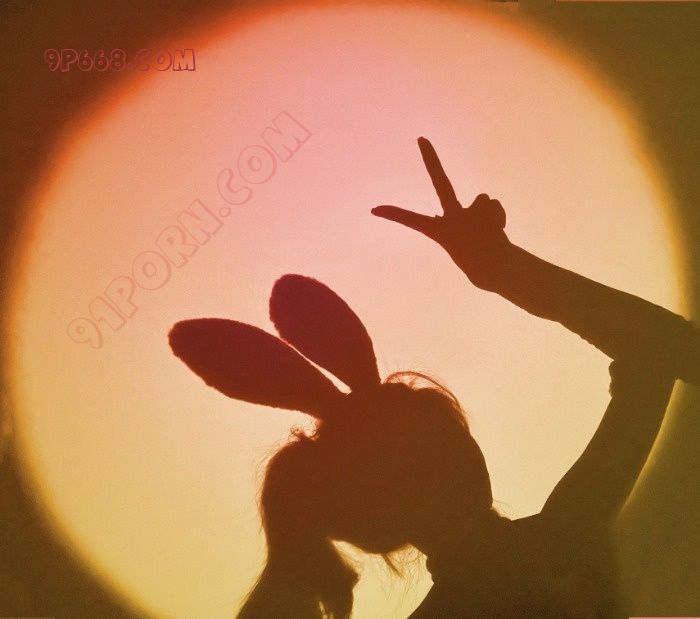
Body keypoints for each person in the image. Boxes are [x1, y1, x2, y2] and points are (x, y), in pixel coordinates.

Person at [168, 137, 699, 618]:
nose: (449, 456)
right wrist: (512, 274)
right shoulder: (561, 539)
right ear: (377, 518)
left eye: (441, 433)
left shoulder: (558, 538)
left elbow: (653, 354)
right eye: (421, 455)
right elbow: (655, 351)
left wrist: (507, 270)